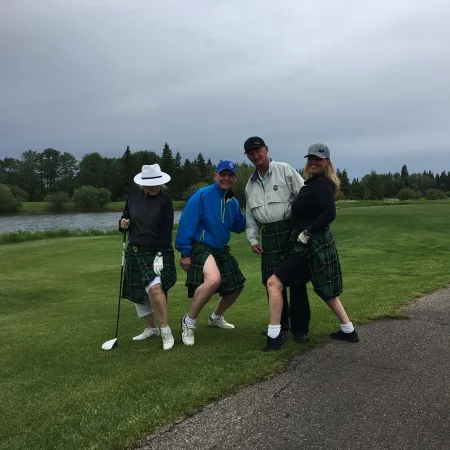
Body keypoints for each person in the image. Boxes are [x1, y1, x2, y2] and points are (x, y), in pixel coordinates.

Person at [264, 143, 359, 351]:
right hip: (307, 243)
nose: (313, 162)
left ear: (327, 162)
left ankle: (274, 338)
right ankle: (349, 330)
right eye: (310, 158)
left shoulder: (322, 184)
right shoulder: (313, 182)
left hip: (309, 245)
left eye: (318, 158)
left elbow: (329, 212)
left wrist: (308, 231)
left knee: (273, 283)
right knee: (325, 289)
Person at [244, 136, 311, 343]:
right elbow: (250, 216)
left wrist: (303, 229)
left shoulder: (284, 170)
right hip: (269, 236)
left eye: (259, 151)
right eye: (251, 153)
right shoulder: (250, 185)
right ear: (248, 157)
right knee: (271, 283)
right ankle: (279, 325)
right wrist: (253, 239)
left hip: (290, 231)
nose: (256, 155)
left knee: (297, 282)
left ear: (266, 149)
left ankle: (300, 329)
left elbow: (305, 196)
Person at [175, 160, 246, 346]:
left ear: (234, 179)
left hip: (220, 249)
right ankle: (188, 322)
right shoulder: (202, 194)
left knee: (237, 286)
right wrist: (185, 252)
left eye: (230, 175)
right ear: (215, 176)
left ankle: (215, 317)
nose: (226, 178)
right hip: (201, 246)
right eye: (223, 174)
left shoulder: (233, 201)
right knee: (213, 280)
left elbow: (239, 225)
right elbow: (187, 222)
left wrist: (256, 214)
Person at [118, 164, 177, 351]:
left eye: (158, 183)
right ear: (143, 184)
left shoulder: (165, 200)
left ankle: (165, 330)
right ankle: (151, 329)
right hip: (135, 250)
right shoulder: (133, 198)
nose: (155, 187)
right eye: (151, 184)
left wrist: (160, 253)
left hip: (157, 249)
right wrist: (123, 224)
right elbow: (124, 222)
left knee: (155, 288)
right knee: (139, 293)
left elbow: (166, 230)